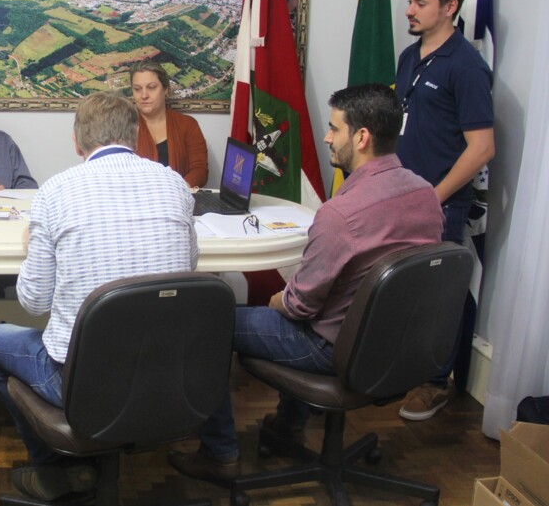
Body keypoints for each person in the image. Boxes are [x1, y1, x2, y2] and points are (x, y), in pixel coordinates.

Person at [169, 84, 443, 486]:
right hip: (398, 343)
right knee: (315, 310)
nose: (327, 137)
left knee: (204, 320)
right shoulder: (425, 194)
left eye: (335, 129)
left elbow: (299, 307)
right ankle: (286, 427)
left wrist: (280, 298)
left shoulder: (341, 215)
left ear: (362, 137)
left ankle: (219, 452)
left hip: (335, 348)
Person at [0, 91, 198, 502]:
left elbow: (34, 303)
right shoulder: (175, 184)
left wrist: (35, 248)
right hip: (165, 372)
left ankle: (52, 468)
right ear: (135, 136)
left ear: (77, 142)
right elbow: (189, 266)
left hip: (80, 383)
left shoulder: (55, 192)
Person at [394, 0, 495, 421]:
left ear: (450, 6)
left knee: (444, 291)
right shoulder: (410, 56)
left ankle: (437, 383)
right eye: (409, 0)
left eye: (420, 3)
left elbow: (482, 148)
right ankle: (413, 365)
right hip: (404, 195)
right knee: (413, 288)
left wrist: (433, 197)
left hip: (439, 204)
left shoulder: (468, 68)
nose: (409, 10)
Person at [129, 60, 209, 187]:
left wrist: (176, 191)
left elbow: (200, 171)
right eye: (137, 89)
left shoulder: (187, 125)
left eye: (151, 87)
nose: (144, 95)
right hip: (139, 202)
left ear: (165, 89)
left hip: (178, 200)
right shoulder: (123, 127)